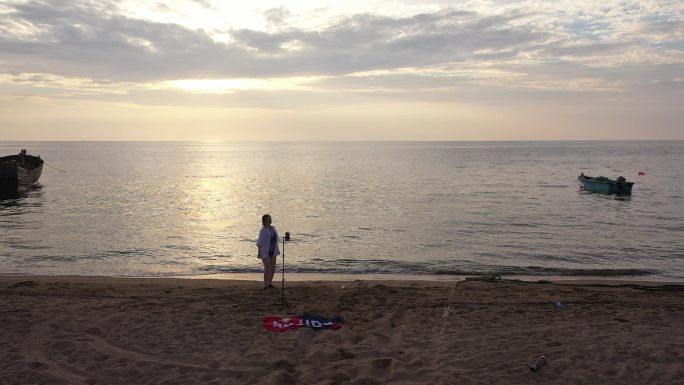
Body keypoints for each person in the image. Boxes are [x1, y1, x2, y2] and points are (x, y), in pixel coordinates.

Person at [256, 214, 280, 289]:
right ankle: (266, 285)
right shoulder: (263, 230)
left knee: (273, 269)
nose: (269, 221)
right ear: (264, 221)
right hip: (265, 251)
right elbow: (259, 242)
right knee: (268, 269)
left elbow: (277, 239)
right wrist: (259, 252)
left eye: (270, 219)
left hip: (273, 251)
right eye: (267, 220)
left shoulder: (273, 228)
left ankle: (269, 283)